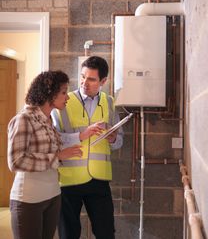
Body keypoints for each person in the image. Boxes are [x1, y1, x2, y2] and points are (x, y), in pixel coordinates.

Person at [52, 56, 124, 239]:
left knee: (106, 232)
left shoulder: (109, 102)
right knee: (68, 234)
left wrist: (113, 139)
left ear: (103, 81)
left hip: (99, 181)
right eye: (82, 77)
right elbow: (54, 140)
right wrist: (81, 135)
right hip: (68, 181)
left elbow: (120, 141)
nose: (85, 83)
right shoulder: (63, 102)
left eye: (91, 79)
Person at [7, 70, 83, 239]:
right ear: (50, 92)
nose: (68, 97)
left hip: (53, 196)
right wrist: (58, 157)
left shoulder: (48, 120)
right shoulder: (24, 119)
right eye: (64, 92)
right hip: (28, 200)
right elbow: (16, 161)